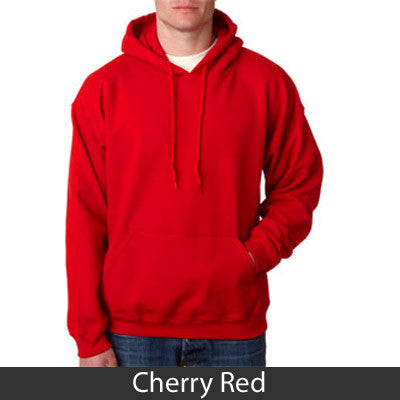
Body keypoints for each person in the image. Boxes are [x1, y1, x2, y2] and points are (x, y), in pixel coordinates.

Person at [65, 0, 324, 367]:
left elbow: (299, 183)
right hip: (130, 333)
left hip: (234, 328)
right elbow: (84, 215)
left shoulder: (266, 82)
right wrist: (88, 337)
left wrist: (253, 254)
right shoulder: (104, 88)